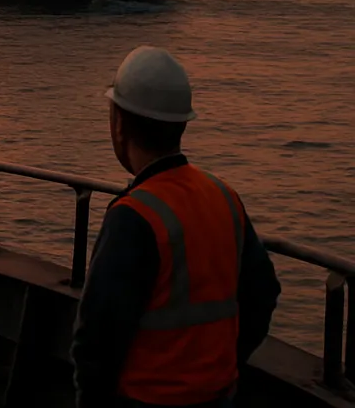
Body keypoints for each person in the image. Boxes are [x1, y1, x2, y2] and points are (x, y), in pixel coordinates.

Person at [73, 46, 280, 408]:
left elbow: (97, 339)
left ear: (119, 123)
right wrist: (223, 365)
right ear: (180, 125)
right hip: (218, 397)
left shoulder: (134, 215)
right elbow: (263, 293)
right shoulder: (223, 196)